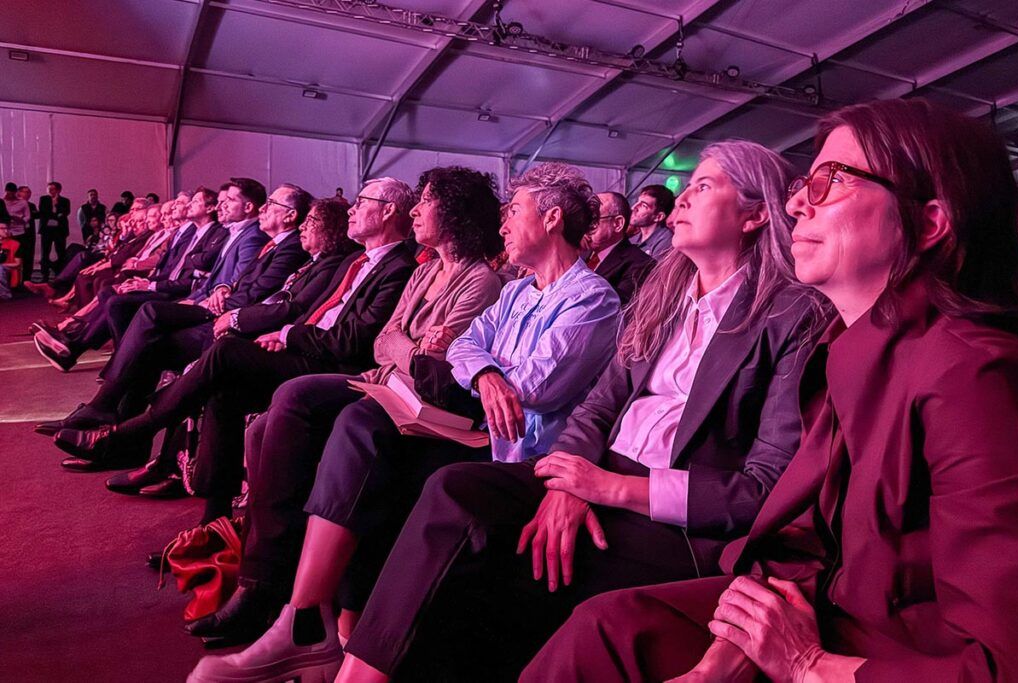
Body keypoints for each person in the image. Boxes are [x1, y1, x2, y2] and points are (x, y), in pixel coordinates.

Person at [523, 99, 1018, 683]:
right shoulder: (847, 346)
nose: (795, 203)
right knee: (607, 627)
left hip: (881, 655)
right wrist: (735, 641)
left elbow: (1004, 662)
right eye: (804, 183)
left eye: (831, 180)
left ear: (929, 223)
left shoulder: (971, 376)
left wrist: (807, 665)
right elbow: (806, 541)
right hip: (815, 609)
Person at [329, 141, 829, 683]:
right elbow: (596, 409)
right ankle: (349, 670)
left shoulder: (790, 314)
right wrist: (568, 483)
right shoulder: (664, 296)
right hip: (593, 471)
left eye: (704, 186)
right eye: (687, 185)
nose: (682, 198)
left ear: (756, 215)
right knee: (454, 490)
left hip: (672, 517)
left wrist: (608, 489)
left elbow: (764, 486)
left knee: (495, 565)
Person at [185, 162, 623, 683]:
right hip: (480, 428)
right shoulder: (517, 292)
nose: (504, 222)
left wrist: (477, 366)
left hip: (514, 452)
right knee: (360, 424)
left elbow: (536, 385)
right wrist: (485, 372)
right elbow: (463, 348)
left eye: (516, 211)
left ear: (551, 219)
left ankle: (320, 629)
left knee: (363, 436)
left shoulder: (592, 298)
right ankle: (304, 617)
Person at [183, 167, 506, 647]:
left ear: (455, 213)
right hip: (386, 385)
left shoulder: (480, 282)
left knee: (295, 395)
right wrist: (410, 349)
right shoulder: (425, 270)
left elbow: (430, 367)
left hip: (419, 404)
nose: (416, 210)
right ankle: (264, 573)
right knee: (264, 424)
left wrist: (405, 350)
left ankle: (266, 587)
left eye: (426, 201)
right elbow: (385, 342)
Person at [51, 177, 418, 518]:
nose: (352, 209)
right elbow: (306, 310)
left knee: (219, 350)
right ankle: (213, 518)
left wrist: (285, 335)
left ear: (388, 211)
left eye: (361, 202)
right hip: (299, 344)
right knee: (222, 389)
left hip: (330, 363)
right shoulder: (356, 260)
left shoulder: (397, 266)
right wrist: (276, 329)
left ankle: (130, 431)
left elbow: (349, 339)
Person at [105, 197, 358, 496]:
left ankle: (135, 431)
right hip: (245, 319)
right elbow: (250, 285)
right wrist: (223, 290)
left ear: (333, 228)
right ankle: (151, 448)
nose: (304, 225)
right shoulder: (309, 259)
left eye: (311, 221)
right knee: (153, 334)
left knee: (193, 348)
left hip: (274, 335)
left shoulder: (324, 259)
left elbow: (290, 308)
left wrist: (242, 319)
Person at [30, 189, 226, 373]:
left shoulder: (207, 233)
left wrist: (148, 282)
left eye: (188, 202)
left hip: (179, 291)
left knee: (116, 301)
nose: (178, 207)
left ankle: (110, 358)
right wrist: (146, 281)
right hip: (165, 283)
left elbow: (189, 271)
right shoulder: (189, 233)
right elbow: (171, 268)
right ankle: (75, 343)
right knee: (109, 291)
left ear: (210, 208)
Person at [584, 191, 654, 305]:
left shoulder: (641, 264)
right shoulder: (580, 253)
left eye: (593, 220)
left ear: (617, 224)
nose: (585, 226)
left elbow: (616, 305)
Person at [628, 183, 675, 260]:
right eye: (637, 202)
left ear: (658, 217)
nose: (633, 208)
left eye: (644, 205)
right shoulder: (633, 240)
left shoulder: (666, 242)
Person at [38, 181, 71, 280]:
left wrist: (56, 205)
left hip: (60, 230)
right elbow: (43, 212)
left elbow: (65, 212)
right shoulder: (43, 199)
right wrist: (55, 214)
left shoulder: (65, 200)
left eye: (52, 189)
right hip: (46, 230)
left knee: (61, 252)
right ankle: (45, 274)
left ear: (58, 190)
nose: (50, 191)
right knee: (45, 252)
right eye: (49, 189)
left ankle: (60, 273)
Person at [17, 185, 37, 283]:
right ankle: (16, 281)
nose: (28, 194)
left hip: (29, 235)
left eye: (29, 192)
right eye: (25, 192)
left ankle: (27, 280)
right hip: (18, 235)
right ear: (19, 193)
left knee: (29, 257)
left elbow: (37, 215)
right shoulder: (14, 205)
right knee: (17, 258)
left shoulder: (31, 205)